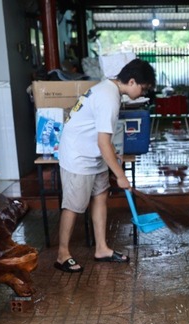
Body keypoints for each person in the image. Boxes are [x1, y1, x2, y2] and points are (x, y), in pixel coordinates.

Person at [54, 58, 156, 272]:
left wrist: (112, 155)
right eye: (144, 89)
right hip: (78, 155)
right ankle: (62, 254)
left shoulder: (108, 90)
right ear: (132, 81)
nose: (144, 93)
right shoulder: (109, 98)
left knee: (100, 195)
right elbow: (103, 141)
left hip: (94, 153)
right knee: (73, 206)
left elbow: (101, 137)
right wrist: (120, 175)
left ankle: (101, 248)